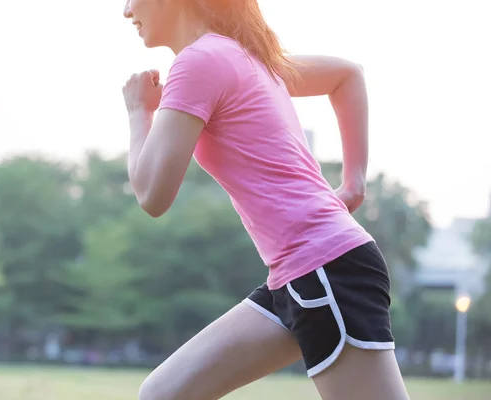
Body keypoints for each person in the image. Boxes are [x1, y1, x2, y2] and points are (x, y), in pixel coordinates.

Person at [121, 0, 411, 399]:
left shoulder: (201, 62)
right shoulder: (243, 58)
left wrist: (139, 112)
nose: (125, 10)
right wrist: (353, 184)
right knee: (163, 393)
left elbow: (152, 195)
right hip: (295, 275)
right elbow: (347, 75)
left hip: (326, 271)